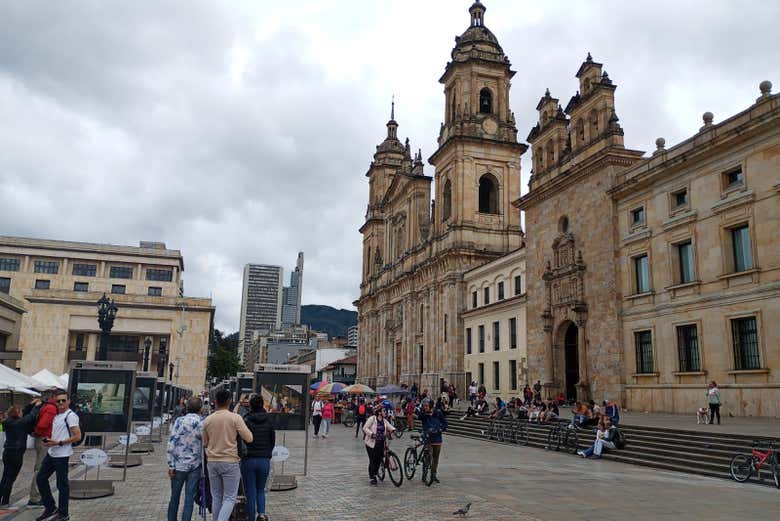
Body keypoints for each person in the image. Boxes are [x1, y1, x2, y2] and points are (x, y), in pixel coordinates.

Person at [202, 389, 253, 521]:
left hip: (212, 461)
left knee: (216, 496)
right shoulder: (235, 418)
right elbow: (249, 438)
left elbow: (205, 443)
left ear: (216, 402)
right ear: (230, 401)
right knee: (230, 497)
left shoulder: (208, 420)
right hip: (230, 460)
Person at [35, 390, 81, 521]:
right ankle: (50, 508)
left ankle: (63, 513)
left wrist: (59, 442)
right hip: (52, 452)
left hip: (62, 454)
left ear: (68, 401)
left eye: (63, 400)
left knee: (62, 485)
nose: (60, 403)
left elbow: (78, 436)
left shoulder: (70, 416)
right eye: (58, 401)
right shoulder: (55, 415)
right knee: (41, 479)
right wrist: (49, 440)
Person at [166, 397, 204, 521]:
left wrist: (170, 464)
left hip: (178, 465)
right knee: (189, 498)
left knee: (174, 496)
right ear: (200, 408)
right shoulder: (202, 422)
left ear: (187, 408)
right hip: (195, 465)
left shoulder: (178, 421)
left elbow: (171, 443)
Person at [1, 400, 41, 506]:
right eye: (21, 412)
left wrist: (31, 404)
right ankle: (5, 501)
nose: (23, 413)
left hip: (7, 452)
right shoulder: (20, 423)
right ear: (18, 413)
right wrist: (36, 406)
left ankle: (2, 498)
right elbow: (31, 416)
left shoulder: (7, 422)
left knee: (5, 476)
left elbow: (26, 413)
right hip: (17, 454)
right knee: (11, 478)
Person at [241, 394, 275, 521]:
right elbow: (272, 439)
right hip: (264, 459)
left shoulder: (246, 419)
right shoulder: (268, 419)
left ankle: (250, 517)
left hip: (249, 459)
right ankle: (261, 514)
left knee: (250, 492)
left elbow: (241, 440)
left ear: (250, 405)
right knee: (261, 489)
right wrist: (268, 453)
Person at [29, 389, 58, 507]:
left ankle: (37, 495)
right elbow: (42, 425)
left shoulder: (47, 406)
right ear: (54, 397)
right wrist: (40, 435)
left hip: (41, 438)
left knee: (40, 467)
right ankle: (35, 497)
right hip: (44, 439)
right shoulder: (51, 408)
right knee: (40, 468)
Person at [362, 405, 396, 485]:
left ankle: (375, 472)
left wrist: (394, 430)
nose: (385, 412)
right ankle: (372, 477)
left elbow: (389, 426)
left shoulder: (384, 421)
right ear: (379, 412)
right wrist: (372, 434)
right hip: (371, 443)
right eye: (384, 411)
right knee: (373, 460)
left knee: (379, 459)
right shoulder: (372, 419)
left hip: (381, 443)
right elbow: (365, 428)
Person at [417, 399, 447, 483]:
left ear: (430, 406)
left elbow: (445, 423)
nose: (425, 407)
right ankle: (424, 474)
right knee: (428, 457)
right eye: (424, 406)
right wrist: (422, 411)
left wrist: (441, 429)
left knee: (435, 458)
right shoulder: (423, 414)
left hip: (437, 438)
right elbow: (419, 417)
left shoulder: (438, 413)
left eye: (426, 406)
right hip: (428, 438)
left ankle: (433, 475)